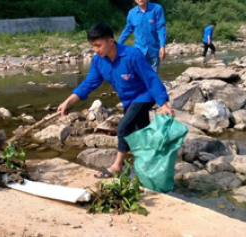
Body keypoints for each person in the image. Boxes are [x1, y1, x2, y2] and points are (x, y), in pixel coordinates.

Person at [57, 23, 174, 179]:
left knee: (123, 128)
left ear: (110, 41)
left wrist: (164, 105)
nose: (95, 50)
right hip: (128, 100)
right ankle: (155, 164)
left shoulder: (132, 55)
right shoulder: (99, 61)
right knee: (142, 131)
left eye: (98, 45)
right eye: (93, 46)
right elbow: (88, 84)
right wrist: (68, 102)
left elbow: (151, 79)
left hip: (144, 96)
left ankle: (117, 166)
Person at [117, 0, 166, 73]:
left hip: (153, 50)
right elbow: (127, 31)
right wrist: (117, 45)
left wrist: (162, 46)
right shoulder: (132, 13)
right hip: (139, 51)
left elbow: (161, 28)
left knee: (153, 77)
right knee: (139, 77)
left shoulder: (157, 9)